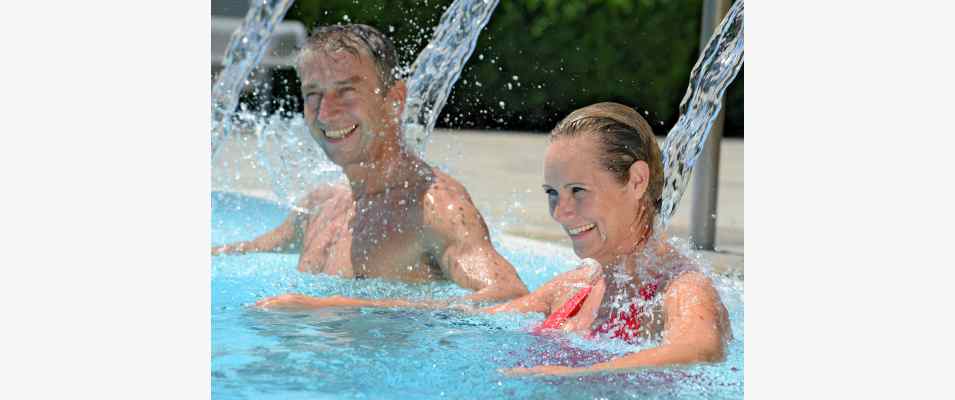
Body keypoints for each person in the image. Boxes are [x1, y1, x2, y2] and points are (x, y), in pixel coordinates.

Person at [256, 102, 732, 376]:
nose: (560, 212)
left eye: (578, 192)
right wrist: (338, 306)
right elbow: (474, 317)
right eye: (552, 193)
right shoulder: (576, 287)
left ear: (635, 181)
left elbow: (698, 348)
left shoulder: (680, 287)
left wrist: (574, 375)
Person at [212, 24, 528, 303]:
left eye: (346, 92)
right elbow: (241, 253)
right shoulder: (322, 206)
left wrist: (338, 308)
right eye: (313, 94)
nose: (324, 113)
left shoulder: (434, 209)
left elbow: (507, 294)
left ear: (394, 100)